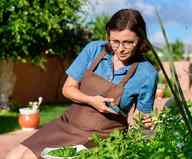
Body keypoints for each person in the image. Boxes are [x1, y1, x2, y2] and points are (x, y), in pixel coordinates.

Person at [6, 8, 158, 159]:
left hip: (101, 136)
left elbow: (141, 119)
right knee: (14, 155)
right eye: (115, 42)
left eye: (128, 43)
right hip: (68, 123)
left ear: (140, 39)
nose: (120, 49)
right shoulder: (94, 50)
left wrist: (147, 126)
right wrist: (91, 100)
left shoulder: (147, 74)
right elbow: (67, 89)